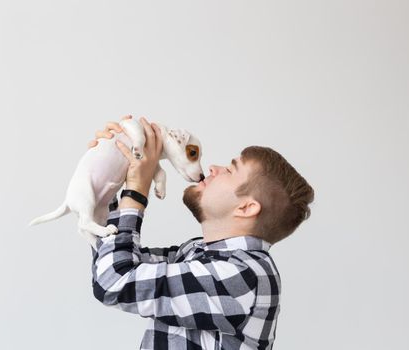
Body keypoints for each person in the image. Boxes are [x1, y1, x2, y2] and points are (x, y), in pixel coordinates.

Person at [86, 115, 314, 349]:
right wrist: (108, 177)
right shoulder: (197, 252)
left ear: (246, 207)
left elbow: (114, 282)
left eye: (230, 170)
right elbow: (114, 263)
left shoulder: (242, 275)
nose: (214, 168)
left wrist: (135, 193)